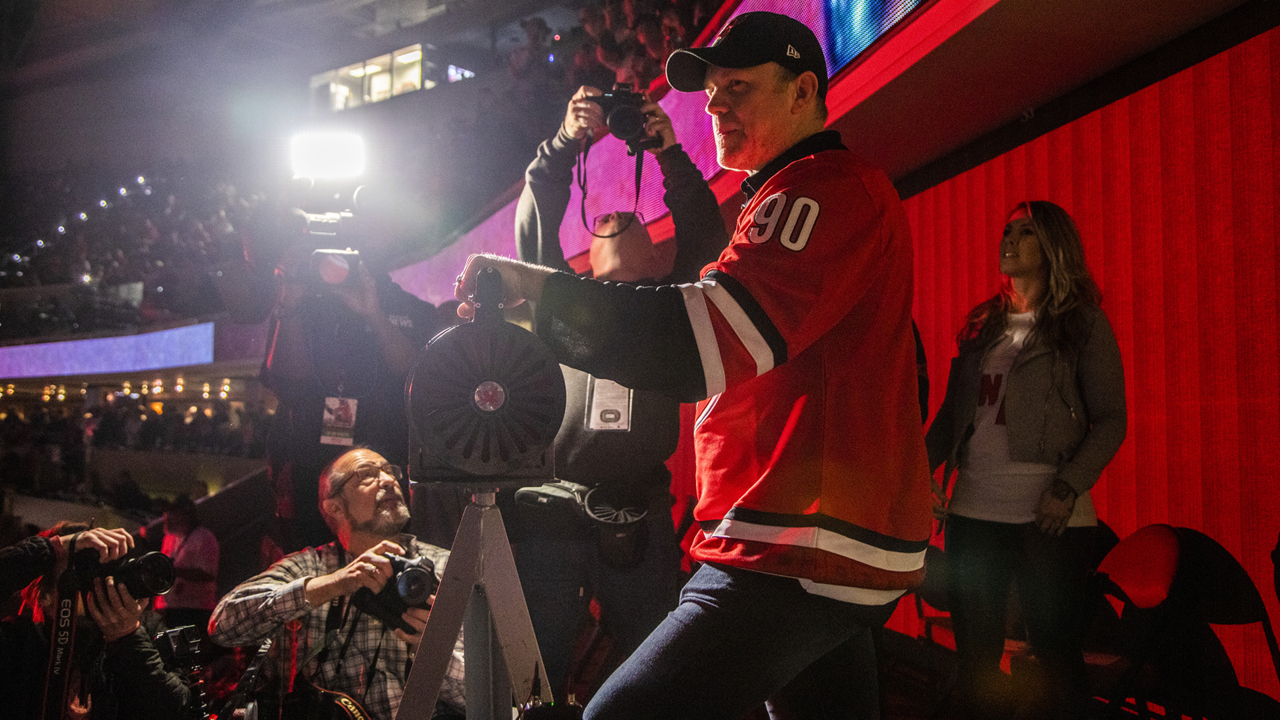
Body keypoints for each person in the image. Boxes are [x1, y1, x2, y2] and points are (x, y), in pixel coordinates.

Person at [453, 12, 931, 719]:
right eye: (711, 91)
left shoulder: (820, 185)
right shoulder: (796, 191)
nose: (713, 104)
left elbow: (697, 343)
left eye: (737, 86)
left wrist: (535, 288)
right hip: (817, 541)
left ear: (804, 91)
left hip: (796, 546)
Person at [513, 84, 728, 697]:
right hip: (554, 510)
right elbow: (533, 223)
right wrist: (562, 146)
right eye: (601, 215)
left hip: (640, 513)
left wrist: (667, 152)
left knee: (651, 668)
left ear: (654, 253)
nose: (611, 214)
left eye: (625, 215)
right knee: (537, 672)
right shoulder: (565, 304)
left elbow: (705, 233)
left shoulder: (670, 309)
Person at [925, 201, 1126, 720]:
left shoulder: (1082, 324)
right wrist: (920, 475)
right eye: (1007, 230)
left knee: (1056, 654)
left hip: (1049, 516)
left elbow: (1111, 420)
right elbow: (952, 416)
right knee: (976, 655)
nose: (1009, 239)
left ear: (1054, 247)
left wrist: (1066, 489)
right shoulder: (983, 326)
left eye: (1026, 232)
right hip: (973, 510)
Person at [213, 196, 448, 551]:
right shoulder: (306, 305)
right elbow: (288, 382)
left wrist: (373, 314)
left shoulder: (408, 308)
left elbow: (417, 375)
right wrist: (289, 302)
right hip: (309, 478)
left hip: (386, 474)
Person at [209, 447, 465, 720]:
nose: (389, 480)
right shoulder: (311, 566)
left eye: (390, 471)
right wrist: (334, 584)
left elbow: (483, 697)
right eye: (366, 475)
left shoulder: (445, 567)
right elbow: (223, 626)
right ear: (334, 506)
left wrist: (437, 650)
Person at [0, 523, 195, 719]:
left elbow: (175, 711)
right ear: (45, 595)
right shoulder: (18, 641)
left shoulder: (146, 631)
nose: (100, 579)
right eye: (82, 568)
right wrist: (53, 548)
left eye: (104, 566)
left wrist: (128, 639)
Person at [153, 494, 220, 636]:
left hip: (194, 611)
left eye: (171, 516)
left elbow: (208, 574)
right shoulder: (169, 538)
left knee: (187, 655)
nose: (166, 520)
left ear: (184, 516)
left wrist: (174, 571)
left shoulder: (204, 537)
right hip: (170, 610)